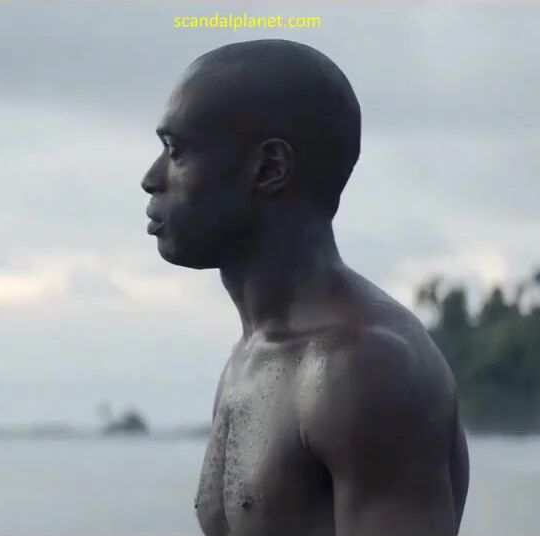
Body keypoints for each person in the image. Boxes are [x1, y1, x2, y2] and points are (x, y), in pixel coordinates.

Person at [141, 39, 469, 536]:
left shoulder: (366, 369)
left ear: (270, 168)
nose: (151, 178)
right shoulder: (252, 355)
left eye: (176, 151)